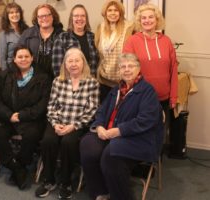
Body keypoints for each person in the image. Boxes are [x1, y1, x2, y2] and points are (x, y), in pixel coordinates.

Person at [80, 53, 164, 200]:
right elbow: (101, 111)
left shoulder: (147, 91)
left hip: (137, 138)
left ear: (138, 69)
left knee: (112, 154)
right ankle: (100, 192)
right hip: (109, 133)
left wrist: (118, 131)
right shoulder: (116, 90)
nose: (126, 70)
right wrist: (99, 126)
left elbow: (145, 120)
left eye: (130, 66)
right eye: (123, 67)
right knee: (88, 146)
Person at [35, 48, 99, 199]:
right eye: (70, 61)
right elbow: (51, 106)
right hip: (58, 121)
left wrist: (73, 126)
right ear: (65, 64)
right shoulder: (58, 81)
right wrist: (55, 124)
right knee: (48, 140)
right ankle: (49, 180)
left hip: (78, 124)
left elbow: (92, 111)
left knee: (68, 143)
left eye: (77, 61)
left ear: (83, 63)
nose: (73, 64)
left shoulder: (92, 83)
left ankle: (66, 182)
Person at [0, 45, 51, 190]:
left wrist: (22, 115)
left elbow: (43, 104)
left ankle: (21, 164)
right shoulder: (5, 75)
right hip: (8, 118)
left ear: (32, 58)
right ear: (14, 59)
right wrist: (9, 115)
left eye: (26, 56)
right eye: (20, 57)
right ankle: (15, 167)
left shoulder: (43, 78)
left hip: (31, 120)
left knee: (32, 135)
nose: (23, 59)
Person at [123, 3, 178, 145]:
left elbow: (173, 71)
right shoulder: (132, 41)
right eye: (144, 18)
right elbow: (127, 71)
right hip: (140, 98)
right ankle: (141, 166)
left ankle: (155, 165)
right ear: (139, 21)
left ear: (157, 19)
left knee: (158, 135)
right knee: (140, 135)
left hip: (163, 99)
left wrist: (173, 96)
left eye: (151, 17)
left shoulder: (166, 41)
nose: (147, 20)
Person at [95, 0, 134, 102]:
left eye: (116, 10)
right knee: (105, 111)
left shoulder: (129, 28)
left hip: (123, 81)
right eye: (110, 10)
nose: (113, 13)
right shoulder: (100, 27)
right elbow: (98, 53)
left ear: (120, 12)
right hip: (104, 80)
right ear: (105, 12)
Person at [18, 4, 63, 79]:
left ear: (53, 16)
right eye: (40, 16)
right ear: (37, 18)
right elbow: (18, 56)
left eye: (47, 15)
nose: (44, 18)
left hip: (56, 80)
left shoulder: (63, 35)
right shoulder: (27, 34)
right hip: (32, 79)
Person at [52, 4, 99, 77]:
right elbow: (57, 67)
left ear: (86, 19)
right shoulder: (62, 38)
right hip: (69, 84)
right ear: (71, 19)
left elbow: (97, 64)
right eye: (76, 16)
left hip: (90, 83)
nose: (79, 18)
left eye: (83, 16)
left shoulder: (93, 37)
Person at [0, 2, 28, 71]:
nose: (15, 14)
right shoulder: (4, 33)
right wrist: (5, 74)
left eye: (17, 12)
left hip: (26, 67)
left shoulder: (27, 30)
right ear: (7, 16)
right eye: (11, 12)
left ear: (20, 14)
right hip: (11, 69)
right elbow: (2, 58)